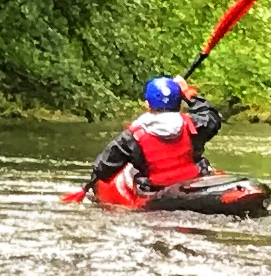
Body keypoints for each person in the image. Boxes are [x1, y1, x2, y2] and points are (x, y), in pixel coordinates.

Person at [88, 73, 225, 199]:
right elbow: (212, 116)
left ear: (148, 105)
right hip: (193, 183)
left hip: (157, 192)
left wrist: (91, 188)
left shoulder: (131, 137)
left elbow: (103, 169)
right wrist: (188, 92)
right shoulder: (194, 124)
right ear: (179, 101)